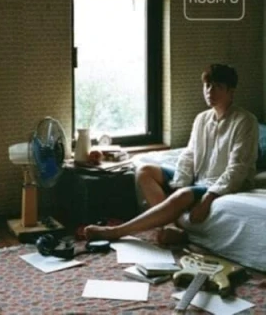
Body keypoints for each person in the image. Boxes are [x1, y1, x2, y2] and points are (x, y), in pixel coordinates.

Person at [84, 64, 259, 244]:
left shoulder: (245, 121)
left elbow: (238, 168)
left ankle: (116, 232)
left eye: (218, 87)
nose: (210, 91)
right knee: (145, 171)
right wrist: (180, 183)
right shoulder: (202, 119)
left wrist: (210, 196)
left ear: (231, 91)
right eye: (207, 86)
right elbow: (189, 155)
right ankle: (172, 227)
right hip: (199, 177)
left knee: (182, 195)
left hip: (218, 183)